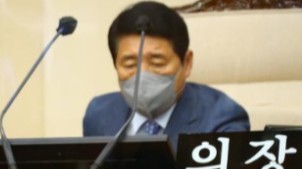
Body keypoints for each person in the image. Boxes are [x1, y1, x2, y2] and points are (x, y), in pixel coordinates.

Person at [83, 1, 249, 150]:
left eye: (158, 63)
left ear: (187, 63)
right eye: (130, 65)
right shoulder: (99, 114)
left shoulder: (221, 118)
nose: (143, 75)